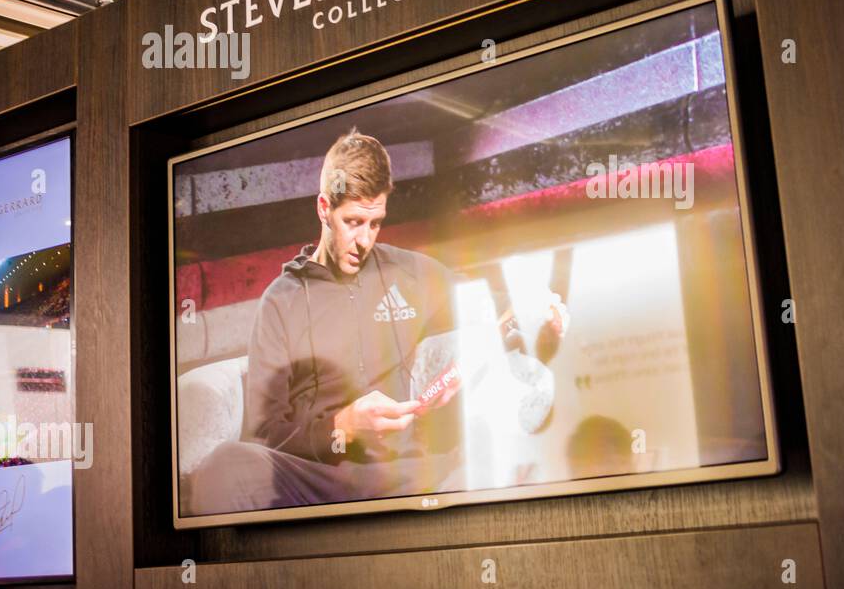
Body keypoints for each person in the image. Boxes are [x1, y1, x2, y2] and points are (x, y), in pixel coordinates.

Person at [183, 128, 567, 517]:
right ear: (323, 209)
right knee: (225, 468)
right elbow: (267, 433)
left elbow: (494, 306)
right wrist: (343, 425)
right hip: (319, 479)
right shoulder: (281, 301)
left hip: (408, 477)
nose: (364, 240)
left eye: (375, 223)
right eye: (352, 221)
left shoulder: (409, 272)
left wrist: (540, 313)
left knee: (495, 470)